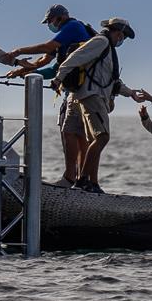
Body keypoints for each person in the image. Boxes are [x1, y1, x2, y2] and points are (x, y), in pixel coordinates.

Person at [5, 5, 95, 186]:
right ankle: (80, 178)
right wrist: (22, 71)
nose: (49, 25)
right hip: (76, 91)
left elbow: (48, 47)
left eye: (50, 21)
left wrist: (19, 51)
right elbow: (47, 63)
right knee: (77, 134)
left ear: (59, 18)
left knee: (70, 132)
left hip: (79, 92)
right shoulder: (67, 38)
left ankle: (71, 178)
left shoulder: (72, 27)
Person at [52, 16, 138, 194]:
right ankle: (83, 180)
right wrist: (59, 77)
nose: (122, 40)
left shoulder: (105, 47)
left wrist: (131, 94)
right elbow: (76, 58)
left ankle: (88, 181)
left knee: (92, 139)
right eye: (122, 36)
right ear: (118, 32)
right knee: (102, 137)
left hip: (81, 97)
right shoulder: (101, 42)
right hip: (92, 97)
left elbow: (112, 82)